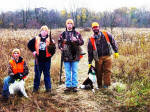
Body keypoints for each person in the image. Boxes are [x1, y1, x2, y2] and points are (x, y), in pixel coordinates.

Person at [88, 22, 119, 88]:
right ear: (92, 29)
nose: (95, 28)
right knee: (98, 72)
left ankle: (106, 85)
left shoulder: (106, 34)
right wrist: (90, 62)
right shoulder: (91, 39)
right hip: (98, 58)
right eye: (94, 27)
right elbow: (90, 52)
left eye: (96, 27)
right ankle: (99, 85)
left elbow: (113, 42)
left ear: (99, 27)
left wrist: (116, 51)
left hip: (108, 56)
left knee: (108, 71)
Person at [58, 19, 84, 92]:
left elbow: (82, 42)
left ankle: (75, 86)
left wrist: (76, 40)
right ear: (66, 25)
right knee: (67, 71)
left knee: (75, 71)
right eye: (68, 23)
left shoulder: (77, 33)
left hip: (75, 55)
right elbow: (59, 43)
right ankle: (68, 86)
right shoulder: (63, 34)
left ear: (73, 25)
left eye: (71, 23)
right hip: (66, 55)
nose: (69, 25)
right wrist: (61, 47)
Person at [28, 25, 54, 93]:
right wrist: (33, 51)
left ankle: (48, 89)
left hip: (47, 61)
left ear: (47, 32)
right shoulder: (36, 38)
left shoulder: (50, 40)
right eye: (43, 30)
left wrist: (50, 55)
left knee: (47, 75)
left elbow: (53, 50)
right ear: (40, 31)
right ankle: (35, 89)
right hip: (38, 60)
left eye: (45, 31)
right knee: (37, 75)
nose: (44, 32)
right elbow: (29, 44)